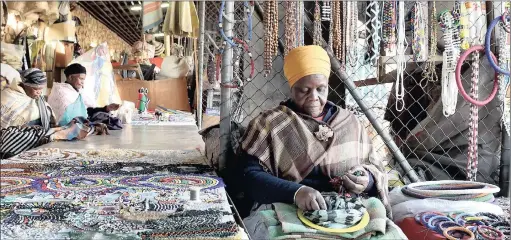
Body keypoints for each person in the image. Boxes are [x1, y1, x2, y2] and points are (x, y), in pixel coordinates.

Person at [241, 46, 396, 238]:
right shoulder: (269, 124)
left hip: (350, 212)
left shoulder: (350, 123)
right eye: (304, 90)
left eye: (321, 89)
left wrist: (366, 180)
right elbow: (249, 177)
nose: (314, 97)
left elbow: (375, 170)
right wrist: (296, 192)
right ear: (291, 88)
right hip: (286, 207)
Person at [0, 68, 107, 158]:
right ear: (25, 85)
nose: (39, 92)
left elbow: (50, 121)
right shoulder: (9, 97)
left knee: (69, 127)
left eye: (41, 89)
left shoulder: (38, 99)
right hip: (10, 140)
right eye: (35, 88)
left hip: (36, 138)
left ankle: (60, 133)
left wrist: (56, 128)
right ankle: (54, 135)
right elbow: (5, 132)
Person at [47, 63, 120, 126]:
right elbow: (68, 118)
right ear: (70, 77)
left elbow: (86, 111)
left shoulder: (77, 92)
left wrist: (106, 108)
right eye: (81, 79)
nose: (83, 82)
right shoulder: (61, 92)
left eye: (83, 79)